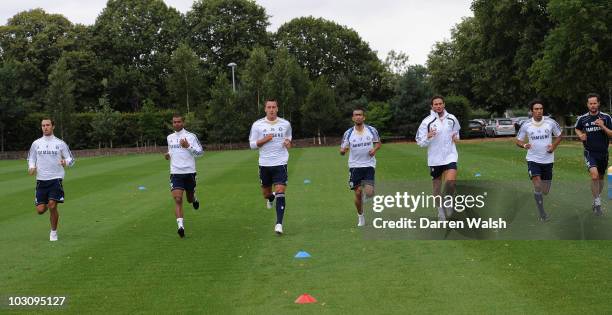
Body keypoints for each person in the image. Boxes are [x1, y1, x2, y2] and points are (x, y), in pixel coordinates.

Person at [249, 99, 292, 235]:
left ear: (277, 109)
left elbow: (289, 140)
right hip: (264, 164)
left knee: (280, 191)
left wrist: (288, 143)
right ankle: (271, 197)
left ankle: (279, 223)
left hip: (280, 163)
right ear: (265, 109)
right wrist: (265, 139)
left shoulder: (285, 124)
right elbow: (252, 145)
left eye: (274, 107)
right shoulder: (258, 125)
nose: (272, 109)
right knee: (266, 194)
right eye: (269, 107)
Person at [27, 118, 75, 241]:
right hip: (41, 180)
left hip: (56, 179)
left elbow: (71, 159)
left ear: (53, 126)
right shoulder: (36, 143)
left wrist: (65, 161)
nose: (45, 127)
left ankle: (53, 232)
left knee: (53, 205)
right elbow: (31, 158)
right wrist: (31, 167)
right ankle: (48, 201)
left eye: (48, 125)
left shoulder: (60, 143)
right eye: (43, 125)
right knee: (40, 210)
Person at [515, 99, 562, 221]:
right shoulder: (526, 124)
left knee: (545, 190)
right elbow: (518, 141)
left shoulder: (550, 122)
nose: (539, 111)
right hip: (533, 159)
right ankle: (542, 214)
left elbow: (559, 136)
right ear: (531, 111)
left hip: (548, 160)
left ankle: (540, 197)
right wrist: (524, 145)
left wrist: (553, 146)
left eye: (541, 109)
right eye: (536, 109)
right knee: (537, 185)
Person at [416, 95, 461, 221]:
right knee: (436, 189)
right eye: (435, 104)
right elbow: (420, 142)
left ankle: (448, 202)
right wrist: (428, 136)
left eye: (440, 103)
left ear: (444, 104)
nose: (438, 106)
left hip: (450, 156)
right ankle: (440, 210)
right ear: (432, 106)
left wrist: (456, 137)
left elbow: (456, 132)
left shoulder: (452, 118)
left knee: (450, 183)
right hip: (435, 159)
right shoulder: (427, 121)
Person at [340, 108, 381, 226]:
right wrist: (343, 151)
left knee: (369, 192)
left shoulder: (371, 130)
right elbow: (343, 149)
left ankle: (367, 197)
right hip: (354, 166)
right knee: (358, 193)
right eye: (356, 115)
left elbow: (378, 143)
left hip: (369, 164)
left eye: (360, 115)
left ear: (364, 117)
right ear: (353, 118)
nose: (358, 117)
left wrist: (374, 149)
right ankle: (360, 216)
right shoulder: (348, 133)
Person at [165, 113, 203, 238]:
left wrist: (188, 146)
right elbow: (171, 151)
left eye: (179, 122)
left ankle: (194, 198)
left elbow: (200, 153)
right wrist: (168, 155)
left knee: (189, 199)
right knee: (178, 199)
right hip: (175, 173)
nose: (176, 124)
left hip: (189, 172)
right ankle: (180, 226)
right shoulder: (170, 137)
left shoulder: (191, 136)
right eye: (174, 122)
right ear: (172, 123)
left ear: (183, 123)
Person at [574, 93, 612, 216]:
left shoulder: (606, 118)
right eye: (590, 103)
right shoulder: (583, 118)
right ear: (587, 104)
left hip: (603, 153)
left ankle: (596, 198)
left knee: (600, 178)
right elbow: (577, 128)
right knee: (594, 176)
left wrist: (602, 126)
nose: (593, 105)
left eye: (595, 103)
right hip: (590, 153)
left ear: (598, 103)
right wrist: (580, 135)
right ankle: (598, 203)